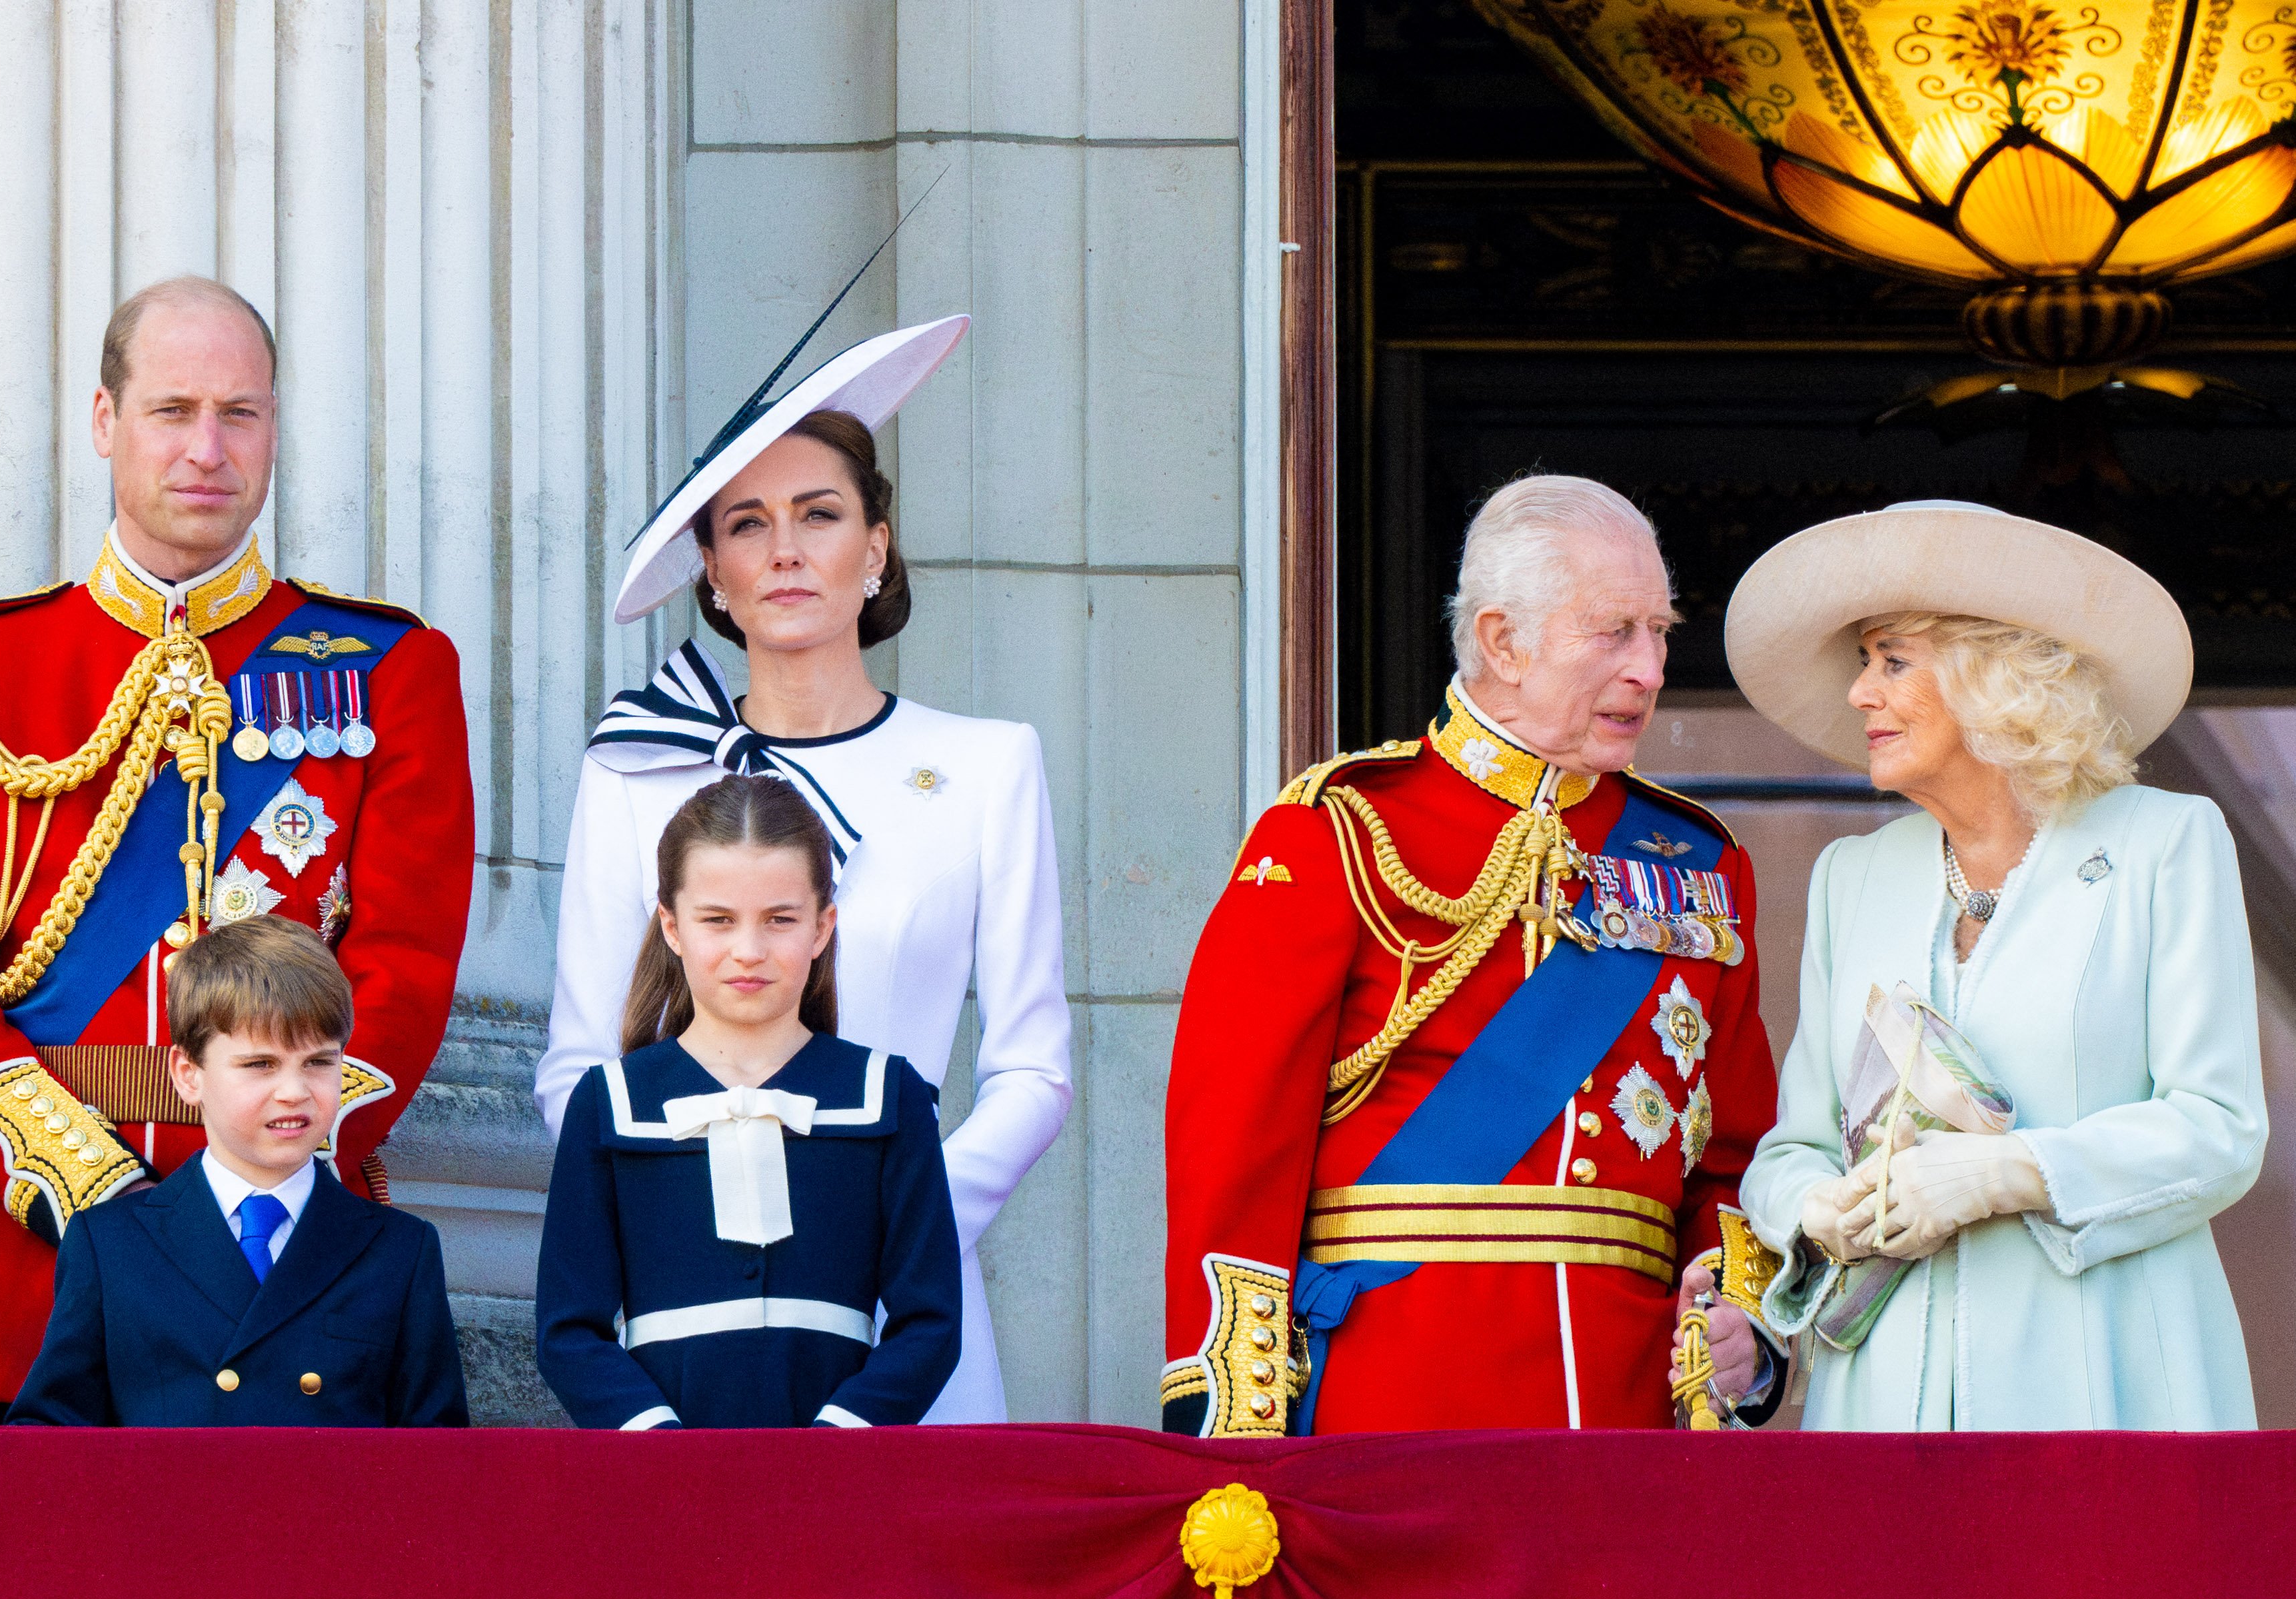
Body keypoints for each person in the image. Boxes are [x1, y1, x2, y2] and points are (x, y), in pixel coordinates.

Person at [0, 275, 476, 1421]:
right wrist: (93, 1192)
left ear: (275, 431)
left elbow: (404, 969)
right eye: (172, 409)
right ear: (105, 421)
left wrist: (265, 1166)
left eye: (240, 413)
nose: (208, 447)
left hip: (293, 1266)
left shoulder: (391, 671)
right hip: (39, 1263)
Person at [1163, 475, 1782, 1435]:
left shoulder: (1700, 863)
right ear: (1503, 641)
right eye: (1615, 631)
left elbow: (1738, 1154)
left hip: (1630, 1417)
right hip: (1394, 1393)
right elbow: (1235, 1145)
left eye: (1658, 631)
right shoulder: (1344, 830)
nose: (1653, 668)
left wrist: (1738, 1321)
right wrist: (1234, 1421)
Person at [540, 315, 1068, 1424]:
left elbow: (1031, 1072)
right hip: (688, 1315)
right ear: (713, 573)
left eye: (819, 515)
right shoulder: (637, 771)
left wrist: (895, 1227)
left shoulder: (984, 766)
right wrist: (670, 1227)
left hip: (913, 1311)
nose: (784, 549)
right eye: (748, 524)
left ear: (874, 547)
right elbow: (578, 1068)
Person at [1724, 502, 2265, 1429]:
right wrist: (1815, 1208)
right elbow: (1790, 1149)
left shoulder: (2165, 843)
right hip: (1883, 1402)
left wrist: (2007, 1173)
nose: (1861, 693)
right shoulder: (1851, 877)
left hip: (2105, 1384)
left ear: (1996, 680)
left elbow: (2219, 1128)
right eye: (1864, 662)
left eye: (1893, 660)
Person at [537, 776, 962, 1429]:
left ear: (823, 926)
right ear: (671, 926)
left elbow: (929, 1323)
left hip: (838, 1483)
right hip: (662, 1487)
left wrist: (838, 1438)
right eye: (717, 920)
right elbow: (568, 1332)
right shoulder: (609, 1102)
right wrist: (658, 1443)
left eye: (779, 920)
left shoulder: (886, 1096)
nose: (748, 951)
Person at [8, 919, 467, 1428]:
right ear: (189, 1075)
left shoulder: (399, 1250)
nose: (294, 1090)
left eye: (318, 1062)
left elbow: (436, 1460)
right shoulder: (110, 1243)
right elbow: (49, 1443)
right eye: (260, 1065)